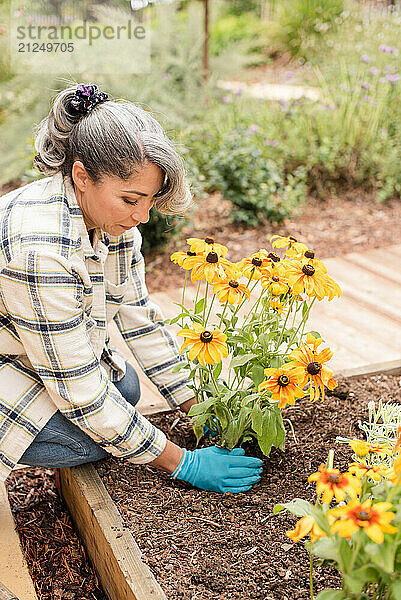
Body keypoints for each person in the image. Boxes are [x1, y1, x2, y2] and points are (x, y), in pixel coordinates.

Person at [0, 83, 262, 494]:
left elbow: (141, 324)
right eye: (130, 199)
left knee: (126, 389)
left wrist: (198, 405)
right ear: (82, 175)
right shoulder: (38, 249)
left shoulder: (109, 221)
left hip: (27, 351)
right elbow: (80, 393)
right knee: (86, 441)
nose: (142, 215)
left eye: (150, 200)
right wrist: (183, 462)